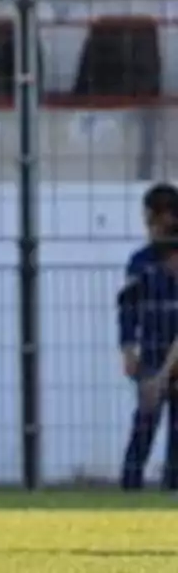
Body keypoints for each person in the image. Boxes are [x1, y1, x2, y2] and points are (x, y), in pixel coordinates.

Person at [118, 183, 178, 491]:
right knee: (143, 425)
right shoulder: (140, 262)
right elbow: (128, 308)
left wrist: (165, 375)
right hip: (152, 357)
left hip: (172, 361)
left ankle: (172, 490)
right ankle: (129, 489)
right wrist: (128, 351)